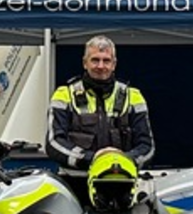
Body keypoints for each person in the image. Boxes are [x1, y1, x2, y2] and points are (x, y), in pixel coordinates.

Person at [46, 35, 155, 201]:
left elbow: (147, 147)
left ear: (114, 64)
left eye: (106, 60)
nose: (100, 66)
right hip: (74, 186)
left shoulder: (133, 96)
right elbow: (54, 143)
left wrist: (119, 161)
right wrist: (93, 159)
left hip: (122, 186)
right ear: (85, 63)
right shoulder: (64, 94)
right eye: (95, 60)